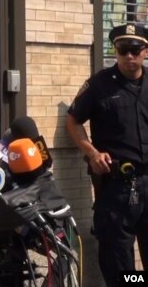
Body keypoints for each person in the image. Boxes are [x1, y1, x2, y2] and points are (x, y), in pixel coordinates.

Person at [66, 23, 148, 287]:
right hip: (116, 188)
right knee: (118, 266)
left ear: (145, 51)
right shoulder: (99, 84)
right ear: (116, 50)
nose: (129, 56)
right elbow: (73, 119)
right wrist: (91, 153)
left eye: (135, 49)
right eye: (123, 49)